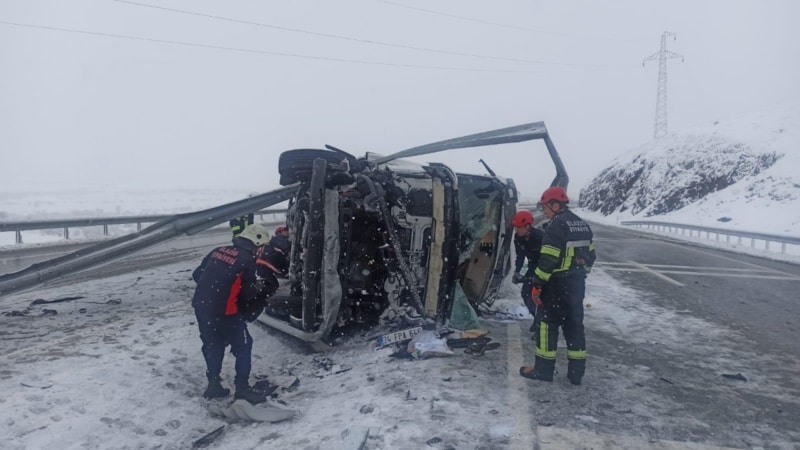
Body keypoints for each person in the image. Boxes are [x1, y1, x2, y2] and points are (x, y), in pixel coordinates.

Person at [191, 223, 279, 403]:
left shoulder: (218, 250)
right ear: (257, 243)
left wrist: (215, 289)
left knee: (212, 345)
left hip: (202, 308)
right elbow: (248, 294)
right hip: (226, 312)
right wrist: (260, 292)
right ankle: (242, 389)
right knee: (244, 345)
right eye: (261, 247)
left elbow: (197, 275)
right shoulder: (247, 261)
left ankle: (213, 384)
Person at [519, 186, 595, 385]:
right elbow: (591, 257)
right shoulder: (582, 225)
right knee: (574, 328)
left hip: (557, 286)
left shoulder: (556, 226)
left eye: (545, 207)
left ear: (555, 205)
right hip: (577, 286)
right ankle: (576, 373)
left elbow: (548, 260)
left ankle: (543, 370)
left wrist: (537, 285)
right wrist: (580, 276)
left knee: (547, 325)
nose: (544, 211)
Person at [510, 210, 544, 325]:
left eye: (518, 227)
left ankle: (543, 322)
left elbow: (548, 258)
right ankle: (537, 318)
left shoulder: (540, 237)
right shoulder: (518, 238)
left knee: (540, 296)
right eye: (515, 227)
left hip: (544, 268)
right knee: (526, 293)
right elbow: (520, 256)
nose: (516, 230)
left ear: (528, 226)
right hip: (532, 267)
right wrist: (517, 272)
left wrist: (541, 277)